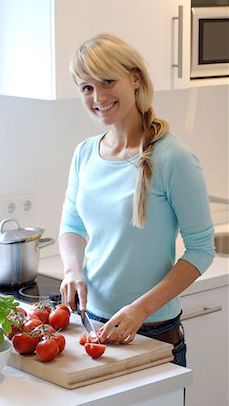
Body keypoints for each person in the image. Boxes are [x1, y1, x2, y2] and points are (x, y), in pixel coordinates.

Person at [58, 34, 215, 366]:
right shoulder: (86, 153)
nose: (97, 96)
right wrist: (73, 270)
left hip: (154, 332)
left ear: (135, 78)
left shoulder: (173, 158)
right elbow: (72, 224)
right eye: (86, 88)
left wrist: (140, 309)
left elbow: (201, 249)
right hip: (94, 325)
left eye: (107, 81)